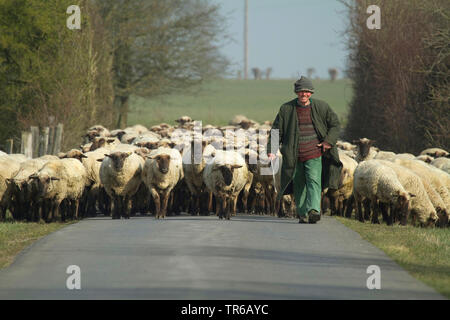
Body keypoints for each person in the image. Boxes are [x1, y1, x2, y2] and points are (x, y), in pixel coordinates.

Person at [267, 76, 342, 224]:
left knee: (314, 181)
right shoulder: (286, 109)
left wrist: (328, 141)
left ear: (311, 93)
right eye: (301, 92)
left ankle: (314, 210)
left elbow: (335, 124)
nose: (304, 94)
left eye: (307, 92)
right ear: (296, 92)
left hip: (314, 152)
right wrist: (272, 149)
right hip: (293, 155)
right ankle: (302, 213)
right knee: (299, 184)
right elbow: (276, 130)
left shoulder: (322, 107)